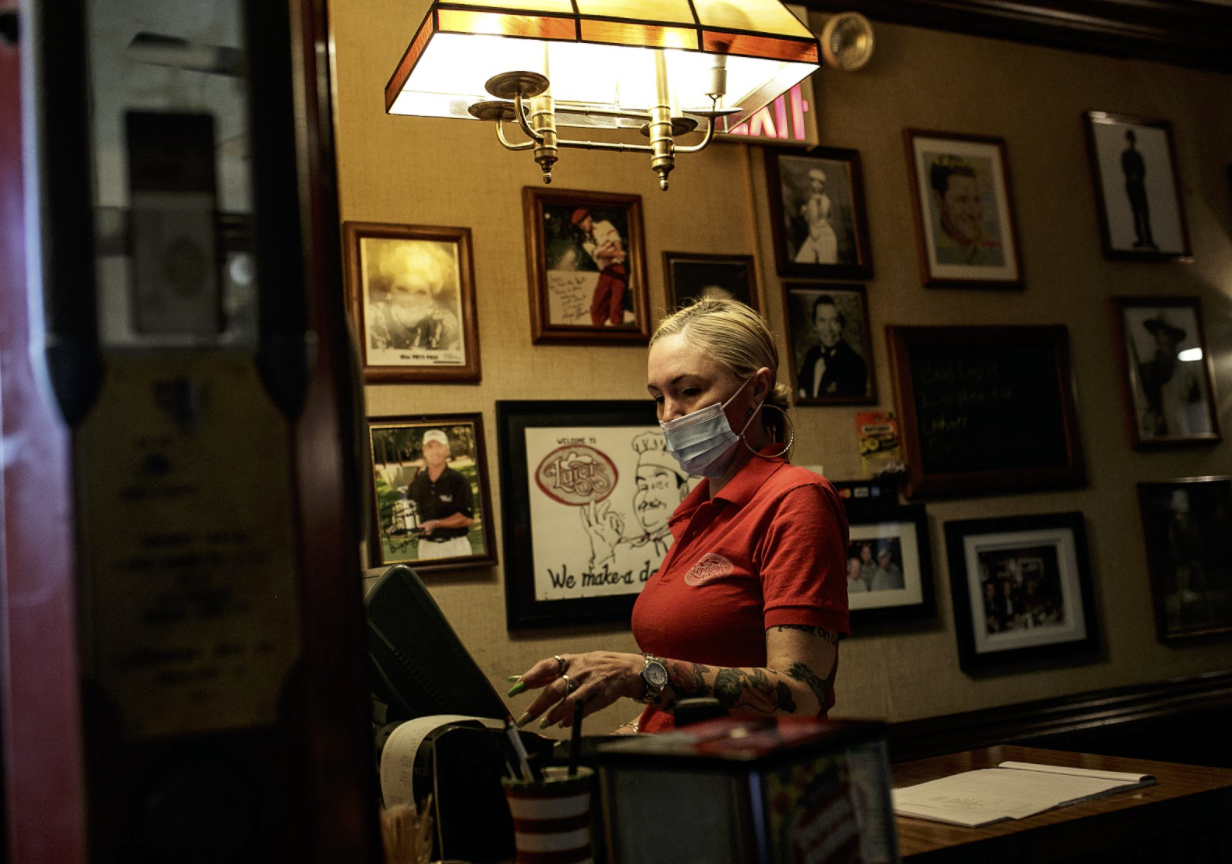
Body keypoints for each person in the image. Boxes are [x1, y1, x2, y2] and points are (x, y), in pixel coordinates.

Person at [508, 299, 850, 733]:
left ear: (757, 388)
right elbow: (685, 705)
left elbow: (801, 697)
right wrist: (626, 739)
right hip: (684, 772)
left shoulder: (796, 499)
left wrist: (638, 674)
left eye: (689, 391)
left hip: (752, 783)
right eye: (658, 398)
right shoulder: (696, 513)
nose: (668, 416)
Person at [580, 431, 690, 574]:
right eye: (643, 487)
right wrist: (604, 553)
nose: (647, 498)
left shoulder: (695, 546)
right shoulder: (628, 549)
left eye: (659, 485)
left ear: (683, 492)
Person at [367, 241, 461, 352]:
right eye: (402, 290)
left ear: (431, 299)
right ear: (389, 292)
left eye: (421, 292)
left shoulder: (443, 321)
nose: (411, 300)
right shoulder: (372, 317)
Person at [1136, 310, 1209, 438]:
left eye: (1172, 335)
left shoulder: (1187, 373)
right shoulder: (1147, 371)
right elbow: (1141, 411)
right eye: (1165, 334)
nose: (1168, 339)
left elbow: (1197, 410)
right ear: (1157, 337)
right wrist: (1149, 418)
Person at [407, 429, 474, 560]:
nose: (435, 451)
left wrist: (436, 523)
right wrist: (398, 525)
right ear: (424, 450)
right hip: (426, 547)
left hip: (456, 547)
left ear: (447, 450)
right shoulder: (416, 482)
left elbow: (467, 518)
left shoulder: (459, 480)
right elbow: (411, 514)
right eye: (430, 447)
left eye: (439, 446)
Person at [929, 157, 1001, 266]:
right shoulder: (932, 251)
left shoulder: (994, 253)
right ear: (939, 200)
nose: (974, 212)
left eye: (977, 200)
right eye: (962, 200)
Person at [797, 295, 868, 399]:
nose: (828, 328)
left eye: (834, 321)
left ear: (842, 324)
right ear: (815, 324)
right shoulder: (811, 356)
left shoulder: (855, 364)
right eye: (822, 321)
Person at [572, 208, 629, 327]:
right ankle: (599, 334)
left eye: (583, 221)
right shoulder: (585, 241)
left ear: (589, 218)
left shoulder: (604, 225)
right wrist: (615, 254)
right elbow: (598, 254)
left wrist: (618, 251)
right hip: (605, 273)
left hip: (618, 268)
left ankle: (617, 335)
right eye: (579, 224)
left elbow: (615, 239)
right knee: (597, 308)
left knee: (616, 307)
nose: (582, 225)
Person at [1121, 129, 1157, 251]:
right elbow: (1126, 170)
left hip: (1139, 186)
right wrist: (1133, 177)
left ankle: (1148, 238)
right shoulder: (1126, 155)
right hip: (1132, 186)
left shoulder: (1137, 155)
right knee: (1137, 212)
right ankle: (1141, 238)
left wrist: (1138, 177)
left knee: (1144, 212)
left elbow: (1143, 171)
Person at [794, 168, 838, 264]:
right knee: (801, 261)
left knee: (828, 266)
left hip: (824, 236)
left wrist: (812, 210)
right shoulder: (811, 200)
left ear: (821, 185)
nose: (814, 184)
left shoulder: (824, 201)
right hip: (813, 235)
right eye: (812, 181)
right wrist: (805, 212)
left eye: (816, 182)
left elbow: (821, 218)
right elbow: (809, 220)